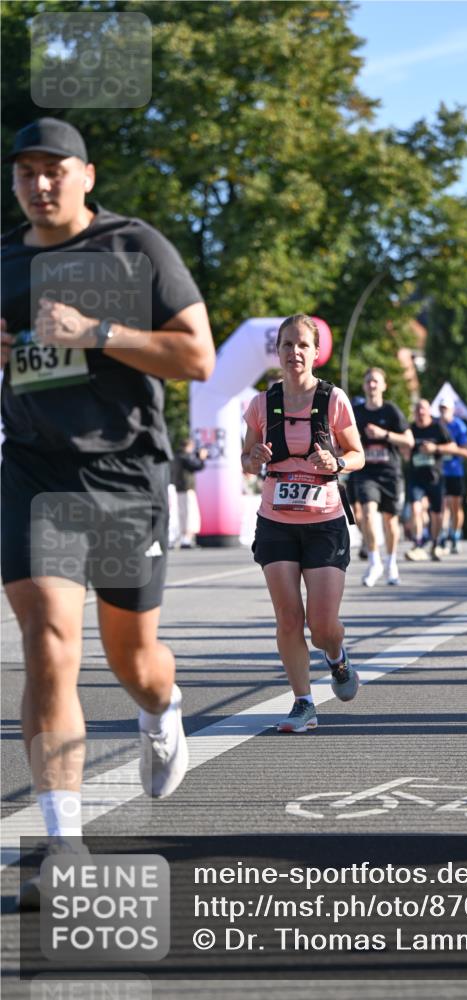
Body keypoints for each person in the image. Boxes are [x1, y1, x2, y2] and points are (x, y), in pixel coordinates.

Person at [1, 119, 215, 903]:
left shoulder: (134, 247)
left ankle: (162, 711)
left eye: (54, 170)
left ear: (86, 176)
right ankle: (63, 842)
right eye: (26, 171)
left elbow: (197, 356)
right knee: (49, 641)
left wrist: (96, 332)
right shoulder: (5, 260)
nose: (39, 184)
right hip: (35, 471)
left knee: (136, 663)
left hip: (126, 474)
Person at [242, 313, 365, 732]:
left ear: (315, 353)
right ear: (277, 351)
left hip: (324, 521)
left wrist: (338, 462)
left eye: (302, 345)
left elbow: (357, 454)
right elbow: (246, 459)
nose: (294, 352)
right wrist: (253, 458)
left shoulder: (333, 400)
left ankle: (337, 657)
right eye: (286, 344)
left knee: (323, 626)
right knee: (289, 618)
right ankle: (303, 703)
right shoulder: (262, 403)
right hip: (275, 520)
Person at [348, 367, 414, 587]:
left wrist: (383, 434)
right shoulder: (356, 412)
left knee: (390, 521)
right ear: (364, 386)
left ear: (384, 386)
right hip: (366, 472)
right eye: (368, 381)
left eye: (376, 381)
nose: (372, 385)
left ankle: (391, 562)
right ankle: (374, 561)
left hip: (390, 472)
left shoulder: (391, 410)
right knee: (367, 513)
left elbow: (409, 441)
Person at [405, 399, 455, 561]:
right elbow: (404, 449)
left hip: (435, 477)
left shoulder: (438, 428)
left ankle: (435, 544)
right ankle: (418, 544)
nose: (420, 412)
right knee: (415, 508)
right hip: (416, 477)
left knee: (436, 514)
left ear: (429, 411)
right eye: (418, 409)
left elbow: (453, 447)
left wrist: (435, 448)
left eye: (423, 409)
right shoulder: (410, 429)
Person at [437, 401, 467, 554]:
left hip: (455, 472)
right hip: (438, 472)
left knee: (455, 507)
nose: (443, 412)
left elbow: (466, 452)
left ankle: (456, 535)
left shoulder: (459, 426)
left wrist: (450, 449)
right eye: (441, 409)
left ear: (452, 410)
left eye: (446, 409)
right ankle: (443, 535)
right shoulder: (436, 425)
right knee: (442, 505)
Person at [171, 437, 208, 548]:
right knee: (190, 515)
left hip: (179, 489)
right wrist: (202, 458)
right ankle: (186, 539)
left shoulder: (177, 456)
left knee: (183, 514)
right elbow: (197, 466)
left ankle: (184, 538)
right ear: (188, 446)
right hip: (187, 489)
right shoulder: (185, 457)